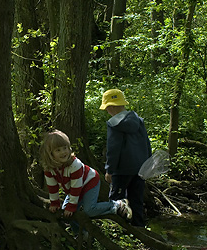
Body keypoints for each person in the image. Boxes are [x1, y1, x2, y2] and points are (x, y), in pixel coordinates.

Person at [39, 130, 132, 230]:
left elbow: (76, 187)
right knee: (66, 212)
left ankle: (117, 204)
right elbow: (53, 188)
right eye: (58, 150)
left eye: (65, 148)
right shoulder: (49, 169)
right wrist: (55, 203)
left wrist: (71, 206)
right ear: (50, 153)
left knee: (89, 210)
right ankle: (81, 234)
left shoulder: (75, 165)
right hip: (74, 188)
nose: (63, 152)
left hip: (89, 182)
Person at [99, 89, 152, 227]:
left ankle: (117, 229)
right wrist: (148, 163)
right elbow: (147, 144)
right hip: (140, 168)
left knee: (116, 200)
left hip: (121, 170)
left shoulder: (113, 124)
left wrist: (109, 170)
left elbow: (113, 149)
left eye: (107, 108)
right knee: (136, 200)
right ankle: (138, 228)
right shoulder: (138, 120)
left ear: (110, 107)